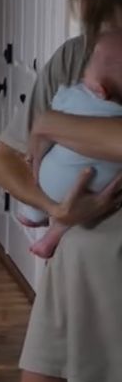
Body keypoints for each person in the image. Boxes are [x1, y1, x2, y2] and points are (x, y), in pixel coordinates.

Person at [0, 0, 122, 382]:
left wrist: (50, 122)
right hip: (68, 291)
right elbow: (3, 162)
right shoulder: (73, 58)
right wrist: (57, 207)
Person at [17, 30, 122, 258]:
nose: (82, 76)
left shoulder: (75, 95)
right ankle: (54, 234)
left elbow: (46, 119)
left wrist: (48, 124)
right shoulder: (71, 52)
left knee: (44, 162)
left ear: (101, 89)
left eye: (87, 71)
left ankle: (32, 213)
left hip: (53, 180)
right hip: (103, 188)